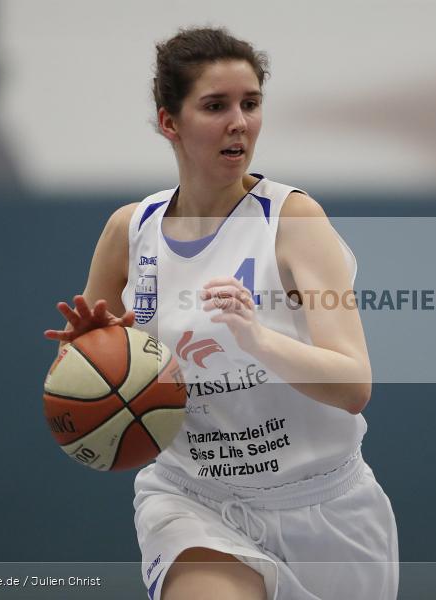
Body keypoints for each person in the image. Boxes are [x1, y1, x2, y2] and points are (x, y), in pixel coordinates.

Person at [45, 27, 398, 600]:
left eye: (250, 104)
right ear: (171, 123)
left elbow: (354, 385)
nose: (240, 122)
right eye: (216, 106)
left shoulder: (293, 219)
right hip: (193, 498)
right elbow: (90, 382)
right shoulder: (129, 231)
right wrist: (83, 356)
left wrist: (258, 338)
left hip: (324, 507)